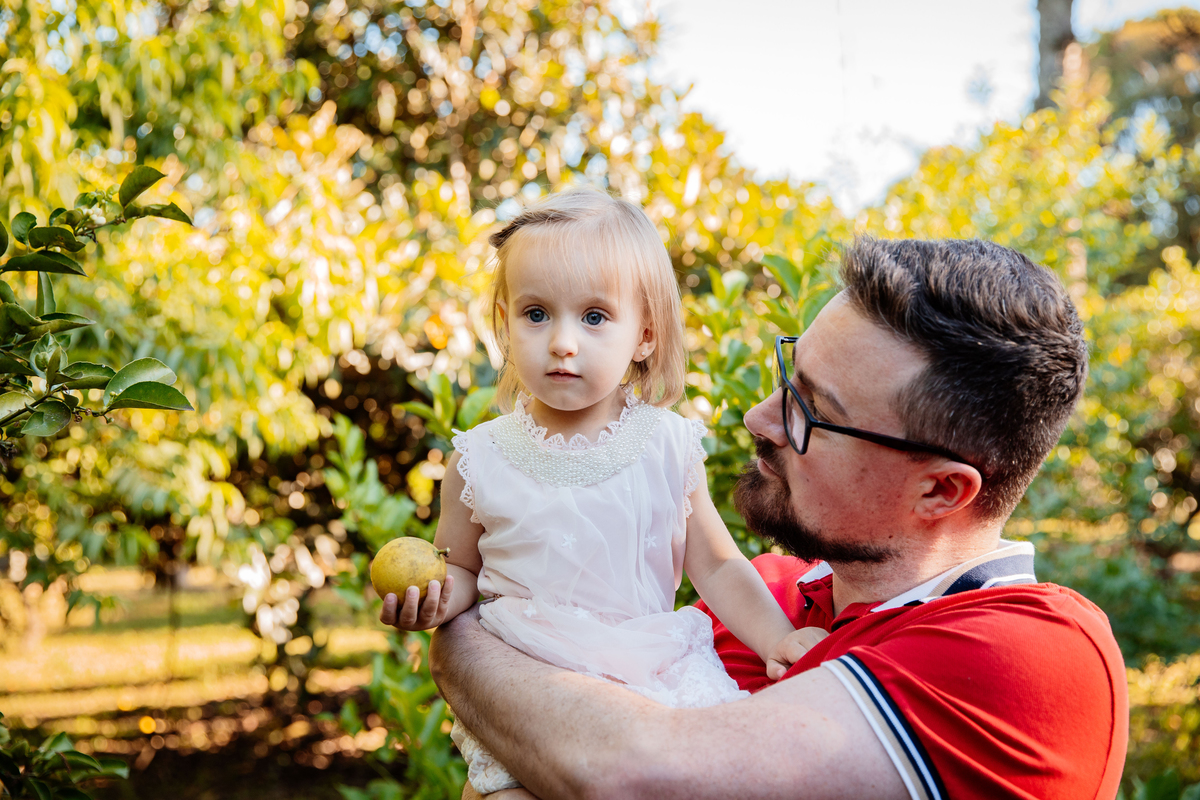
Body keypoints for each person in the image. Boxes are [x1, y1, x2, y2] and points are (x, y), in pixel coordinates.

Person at [426, 237, 1130, 800]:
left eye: (811, 412)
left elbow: (625, 775)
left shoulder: (1031, 653)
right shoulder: (767, 596)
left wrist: (461, 640)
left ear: (942, 491)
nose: (757, 418)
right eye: (785, 375)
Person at [378, 188, 822, 795]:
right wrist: (432, 599)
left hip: (646, 681)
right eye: (537, 314)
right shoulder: (478, 456)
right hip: (526, 689)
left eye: (594, 317)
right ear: (505, 325)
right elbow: (460, 569)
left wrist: (777, 638)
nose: (563, 342)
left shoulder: (666, 446)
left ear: (643, 335)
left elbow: (717, 565)